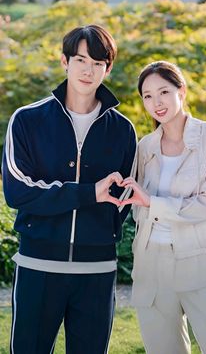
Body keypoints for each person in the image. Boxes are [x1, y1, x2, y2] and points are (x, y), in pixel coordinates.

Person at [2, 25, 136, 354]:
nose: (88, 70)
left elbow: (122, 201)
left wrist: (69, 205)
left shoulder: (123, 129)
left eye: (98, 63)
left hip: (97, 271)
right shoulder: (27, 120)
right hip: (38, 267)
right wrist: (89, 193)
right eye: (80, 60)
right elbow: (18, 191)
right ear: (64, 62)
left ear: (108, 68)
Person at [120, 60, 206, 354]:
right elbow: (138, 207)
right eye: (147, 96)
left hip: (202, 262)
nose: (156, 103)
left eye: (163, 92)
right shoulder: (145, 146)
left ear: (181, 91)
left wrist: (152, 202)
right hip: (151, 266)